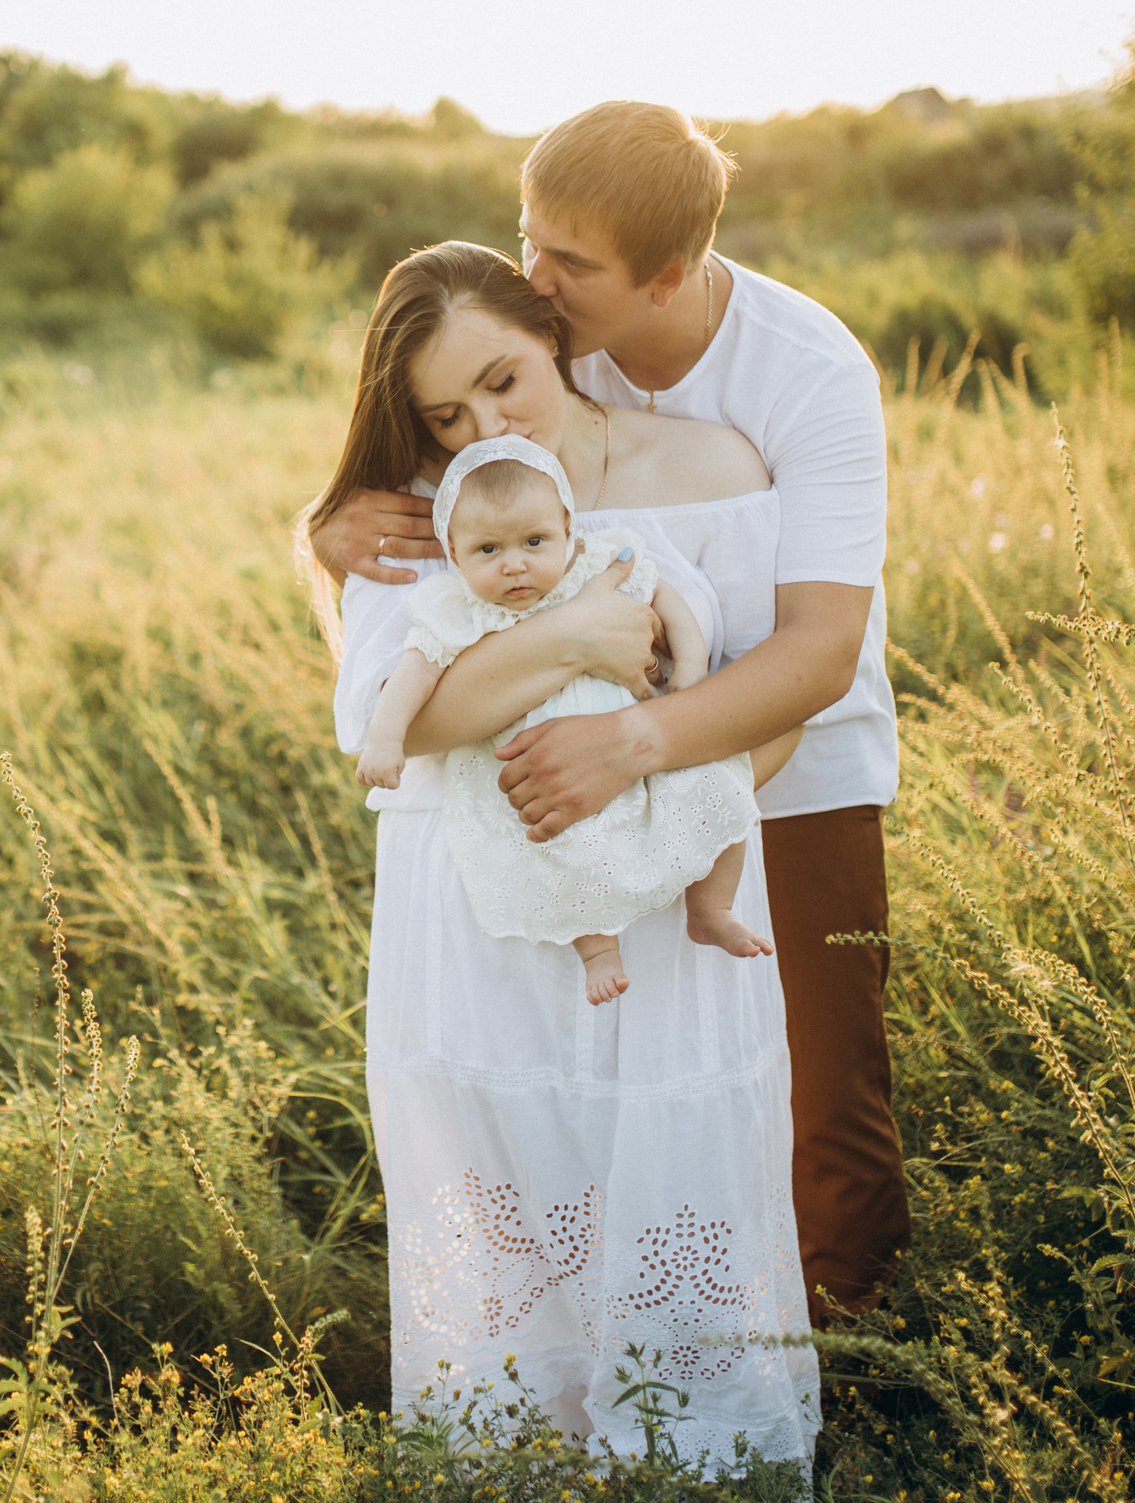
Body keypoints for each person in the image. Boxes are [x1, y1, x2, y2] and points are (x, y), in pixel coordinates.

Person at [309, 102, 909, 1330]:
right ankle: (604, 1342)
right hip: (553, 780)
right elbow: (411, 446)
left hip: (792, 740)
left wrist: (633, 749)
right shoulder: (526, 353)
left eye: (568, 264)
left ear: (668, 276)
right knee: (591, 1082)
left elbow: (812, 651)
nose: (539, 279)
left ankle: (850, 1347)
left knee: (819, 1081)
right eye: (530, 244)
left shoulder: (799, 374)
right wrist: (315, 540)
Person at [312, 240, 819, 1468]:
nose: (483, 425)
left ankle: (692, 1467)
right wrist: (579, 636)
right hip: (477, 898)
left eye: (502, 381)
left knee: (671, 1170)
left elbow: (774, 696)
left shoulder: (708, 467)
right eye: (444, 411)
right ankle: (513, 1461)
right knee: (506, 1186)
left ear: (553, 335)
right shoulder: (427, 515)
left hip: (659, 886)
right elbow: (386, 718)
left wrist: (659, 815)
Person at [355, 436, 778, 1008]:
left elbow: (668, 602)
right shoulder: (460, 609)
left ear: (566, 531)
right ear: (453, 554)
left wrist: (690, 673)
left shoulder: (601, 565)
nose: (515, 564)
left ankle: (711, 908)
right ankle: (598, 950)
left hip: (637, 740)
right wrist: (385, 736)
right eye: (487, 550)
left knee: (719, 788)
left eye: (534, 541)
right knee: (554, 845)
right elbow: (415, 673)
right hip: (538, 764)